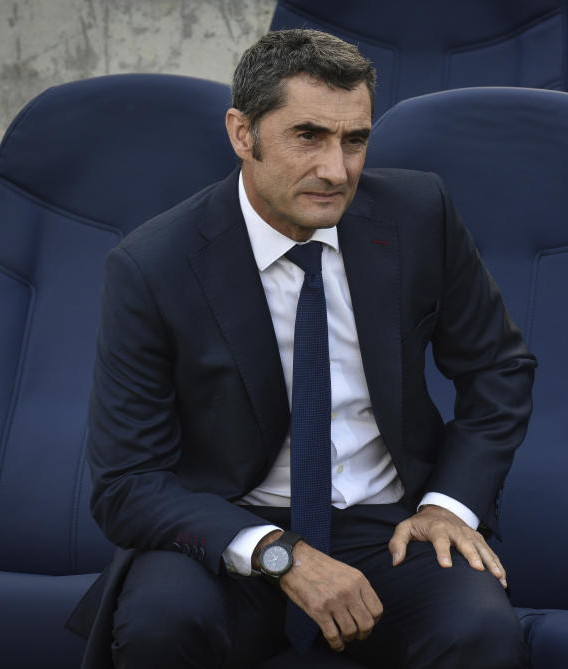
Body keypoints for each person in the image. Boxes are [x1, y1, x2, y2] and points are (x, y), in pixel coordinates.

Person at [69, 28, 536, 669]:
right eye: (308, 136)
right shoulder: (154, 267)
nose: (335, 169)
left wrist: (447, 505)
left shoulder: (418, 214)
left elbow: (498, 369)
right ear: (243, 134)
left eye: (355, 140)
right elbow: (126, 482)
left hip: (389, 525)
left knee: (481, 631)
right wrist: (276, 552)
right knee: (161, 622)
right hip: (232, 530)